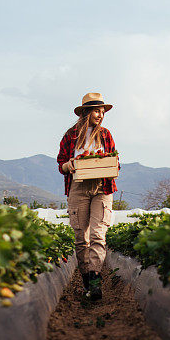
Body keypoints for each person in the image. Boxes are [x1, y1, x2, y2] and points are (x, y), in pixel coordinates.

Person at [57, 92, 120, 301]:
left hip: (103, 186)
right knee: (81, 237)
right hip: (79, 186)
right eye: (96, 111)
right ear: (85, 112)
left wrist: (112, 164)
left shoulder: (106, 135)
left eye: (102, 112)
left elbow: (114, 161)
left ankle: (94, 280)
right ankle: (86, 278)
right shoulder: (70, 135)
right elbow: (61, 164)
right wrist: (70, 165)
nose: (100, 115)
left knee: (98, 234)